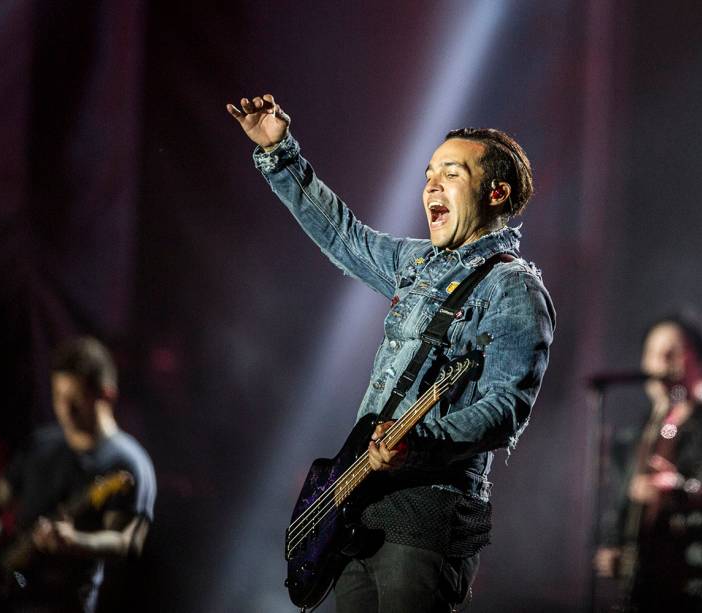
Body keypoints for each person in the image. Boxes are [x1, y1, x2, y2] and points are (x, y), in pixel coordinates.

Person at [227, 95, 555, 612]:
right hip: (361, 503)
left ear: (496, 192)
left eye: (451, 172)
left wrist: (419, 440)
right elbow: (343, 237)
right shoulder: (416, 263)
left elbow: (506, 410)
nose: (431, 184)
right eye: (428, 173)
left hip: (431, 507)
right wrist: (279, 152)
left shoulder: (513, 288)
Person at [594, 312, 702, 612]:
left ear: (701, 360)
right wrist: (614, 547)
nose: (659, 362)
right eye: (652, 353)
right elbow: (621, 507)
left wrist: (681, 490)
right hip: (653, 590)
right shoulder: (635, 438)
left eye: (672, 351)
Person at [0, 337, 157, 613]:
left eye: (76, 399)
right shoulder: (41, 444)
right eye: (59, 396)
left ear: (106, 395)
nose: (65, 409)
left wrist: (75, 541)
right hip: (14, 585)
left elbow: (128, 542)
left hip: (63, 603)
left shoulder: (126, 462)